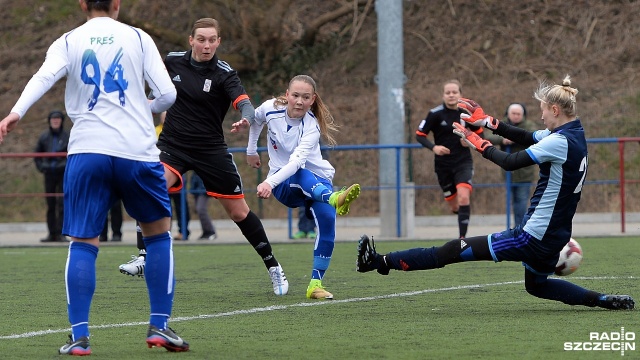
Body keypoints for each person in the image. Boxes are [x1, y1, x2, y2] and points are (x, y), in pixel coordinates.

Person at [0, 0, 190, 354]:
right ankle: (160, 326)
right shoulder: (138, 37)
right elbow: (168, 94)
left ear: (82, 4)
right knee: (158, 236)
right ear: (117, 4)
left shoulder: (69, 40)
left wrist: (15, 113)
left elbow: (43, 76)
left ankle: (80, 337)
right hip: (136, 151)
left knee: (84, 242)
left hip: (88, 150)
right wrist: (139, 107)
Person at [357, 76, 635, 311]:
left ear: (554, 109)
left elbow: (511, 163)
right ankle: (601, 300)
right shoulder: (574, 132)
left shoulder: (559, 141)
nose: (540, 117)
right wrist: (489, 122)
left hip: (532, 236)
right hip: (555, 236)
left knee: (453, 250)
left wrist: (477, 142)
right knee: (536, 285)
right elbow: (525, 136)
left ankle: (380, 262)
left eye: (543, 111)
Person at [118, 17, 289, 297]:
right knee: (149, 185)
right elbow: (145, 77)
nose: (206, 45)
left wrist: (246, 119)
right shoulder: (172, 61)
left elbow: (244, 103)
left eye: (212, 40)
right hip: (173, 145)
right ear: (191, 40)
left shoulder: (225, 73)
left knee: (238, 212)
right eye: (201, 39)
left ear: (218, 42)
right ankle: (144, 256)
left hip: (210, 149)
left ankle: (273, 266)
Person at [233, 74, 361, 300]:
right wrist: (251, 151)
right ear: (286, 96)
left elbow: (297, 161)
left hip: (316, 182)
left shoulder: (311, 126)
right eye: (295, 96)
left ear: (313, 99)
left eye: (305, 97)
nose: (300, 101)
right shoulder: (271, 108)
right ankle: (333, 198)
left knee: (327, 222)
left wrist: (266, 182)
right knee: (301, 175)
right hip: (285, 185)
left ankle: (315, 284)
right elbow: (255, 119)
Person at [416, 80, 483, 239]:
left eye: (455, 92)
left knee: (464, 196)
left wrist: (469, 141)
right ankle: (461, 213)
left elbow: (481, 134)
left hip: (463, 162)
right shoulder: (435, 114)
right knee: (454, 205)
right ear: (443, 95)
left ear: (460, 94)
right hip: (443, 165)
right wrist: (434, 148)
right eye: (448, 92)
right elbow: (420, 136)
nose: (451, 95)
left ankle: (462, 239)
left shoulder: (466, 115)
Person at [485, 103, 539, 226]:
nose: (515, 116)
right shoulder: (501, 124)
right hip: (508, 172)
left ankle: (520, 227)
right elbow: (487, 136)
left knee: (522, 201)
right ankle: (517, 226)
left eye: (518, 114)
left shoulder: (529, 126)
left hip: (525, 172)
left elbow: (533, 138)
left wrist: (514, 139)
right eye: (513, 114)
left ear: (523, 115)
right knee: (513, 202)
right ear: (508, 114)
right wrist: (502, 140)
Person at [34, 110, 70, 243]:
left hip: (62, 174)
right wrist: (42, 167)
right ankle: (51, 233)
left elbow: (72, 153)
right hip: (49, 173)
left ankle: (61, 233)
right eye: (53, 119)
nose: (55, 121)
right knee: (50, 204)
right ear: (49, 121)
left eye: (58, 119)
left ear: (61, 121)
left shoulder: (67, 136)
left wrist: (65, 166)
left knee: (62, 204)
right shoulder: (44, 137)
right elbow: (36, 154)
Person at [190, 171, 217, 240]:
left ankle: (211, 231)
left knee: (201, 209)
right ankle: (206, 231)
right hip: (197, 189)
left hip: (204, 189)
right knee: (199, 210)